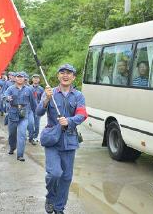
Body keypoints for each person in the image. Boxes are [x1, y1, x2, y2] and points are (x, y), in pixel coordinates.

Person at [36, 64, 87, 214]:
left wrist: (70, 121)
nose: (65, 75)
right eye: (62, 73)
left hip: (70, 140)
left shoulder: (78, 95)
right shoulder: (50, 92)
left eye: (69, 73)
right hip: (52, 140)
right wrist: (46, 99)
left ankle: (59, 208)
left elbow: (82, 114)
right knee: (54, 174)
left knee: (66, 177)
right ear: (58, 76)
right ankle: (50, 197)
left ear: (73, 77)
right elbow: (38, 112)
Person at [3, 72, 37, 161]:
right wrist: (7, 98)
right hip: (13, 114)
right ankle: (12, 147)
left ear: (24, 79)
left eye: (22, 77)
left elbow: (33, 103)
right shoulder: (10, 88)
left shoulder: (29, 90)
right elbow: (4, 96)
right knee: (12, 134)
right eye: (18, 77)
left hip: (24, 114)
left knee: (22, 134)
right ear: (15, 78)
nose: (20, 78)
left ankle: (20, 155)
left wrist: (36, 112)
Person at [29, 74, 44, 144]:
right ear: (32, 79)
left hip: (37, 109)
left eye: (37, 78)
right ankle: (31, 136)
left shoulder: (41, 89)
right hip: (30, 109)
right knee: (30, 124)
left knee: (37, 125)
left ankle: (34, 137)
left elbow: (43, 99)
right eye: (34, 78)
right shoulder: (28, 88)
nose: (35, 79)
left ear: (39, 80)